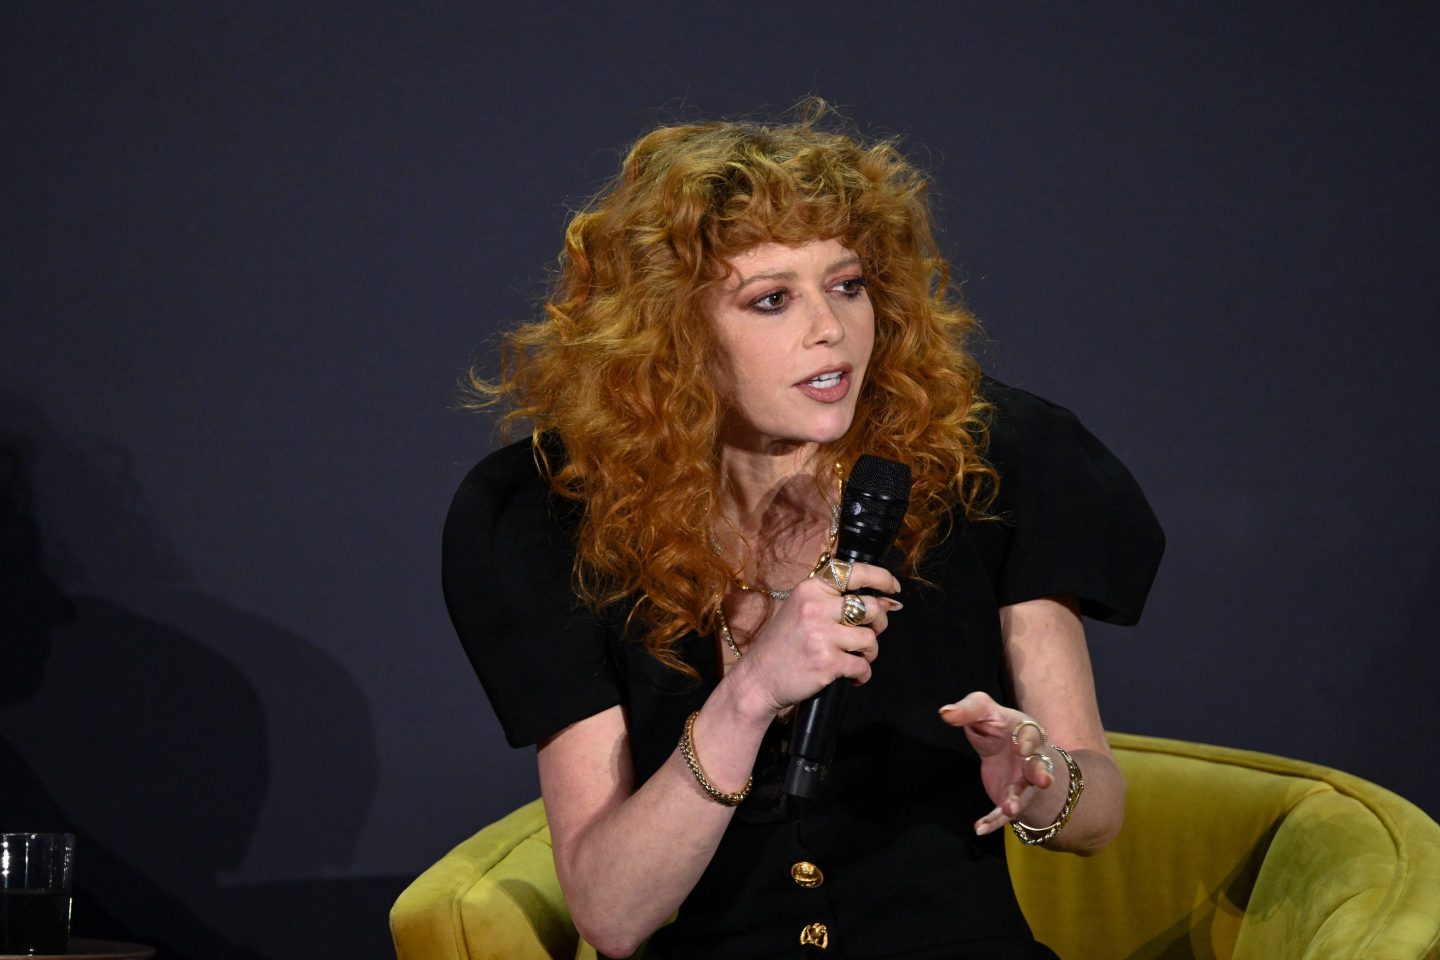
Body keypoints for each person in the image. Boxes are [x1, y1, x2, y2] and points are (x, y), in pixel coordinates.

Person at [443, 103, 1164, 959]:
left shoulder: (992, 459)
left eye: (847, 284)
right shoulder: (551, 511)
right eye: (772, 298)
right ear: (670, 335)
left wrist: (1044, 785)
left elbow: (1098, 810)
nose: (831, 328)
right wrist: (749, 697)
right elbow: (612, 913)